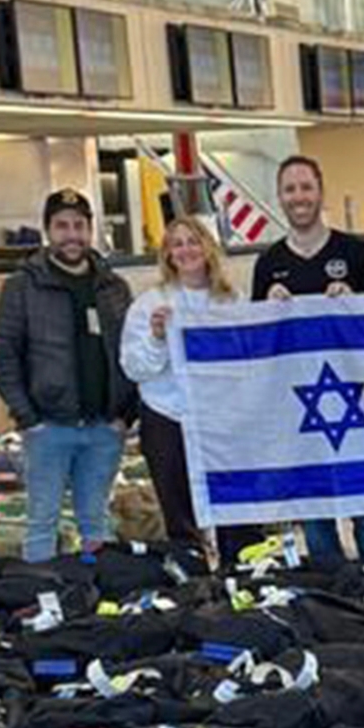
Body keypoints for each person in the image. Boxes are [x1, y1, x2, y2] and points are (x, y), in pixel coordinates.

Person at [251, 154, 364, 561]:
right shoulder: (269, 264)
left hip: (355, 404)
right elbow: (261, 348)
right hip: (300, 413)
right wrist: (268, 310)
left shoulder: (356, 253)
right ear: (279, 197)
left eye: (306, 187)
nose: (299, 197)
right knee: (314, 514)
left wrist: (355, 304)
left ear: (320, 191)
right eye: (290, 189)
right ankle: (331, 604)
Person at [0, 188, 136, 561]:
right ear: (47, 231)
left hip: (105, 428)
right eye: (62, 226)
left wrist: (125, 414)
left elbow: (133, 355)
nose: (72, 235)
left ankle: (96, 603)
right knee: (42, 523)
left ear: (90, 229)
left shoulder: (114, 287)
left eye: (79, 226)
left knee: (96, 523)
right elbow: (2, 355)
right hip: (48, 428)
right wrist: (28, 417)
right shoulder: (22, 286)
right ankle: (44, 598)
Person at [118, 217, 260, 561]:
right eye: (177, 244)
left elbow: (251, 362)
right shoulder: (149, 305)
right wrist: (155, 338)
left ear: (208, 247)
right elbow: (133, 367)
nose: (186, 250)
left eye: (193, 241)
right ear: (167, 255)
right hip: (167, 419)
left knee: (235, 510)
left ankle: (241, 578)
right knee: (180, 515)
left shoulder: (233, 302)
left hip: (224, 421)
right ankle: (196, 584)